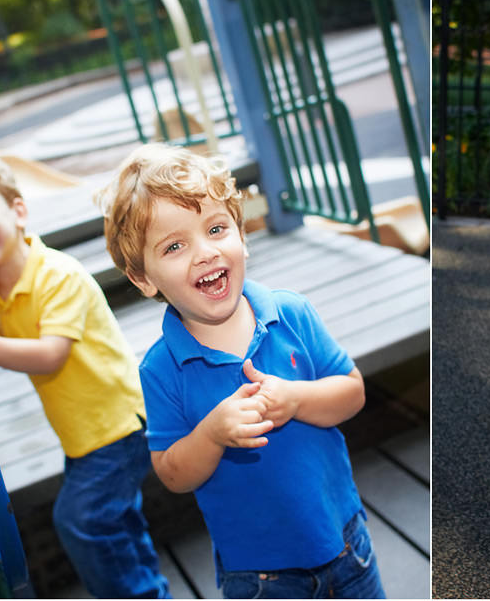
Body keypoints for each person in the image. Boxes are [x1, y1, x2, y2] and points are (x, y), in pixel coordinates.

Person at [96, 143, 386, 599]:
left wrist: (297, 399)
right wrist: (211, 435)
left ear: (242, 234)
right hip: (260, 578)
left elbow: (352, 392)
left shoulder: (292, 313)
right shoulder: (161, 369)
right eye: (174, 246)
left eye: (216, 228)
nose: (205, 252)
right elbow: (172, 474)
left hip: (345, 542)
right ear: (144, 278)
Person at [0, 151, 170, 598]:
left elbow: (49, 354)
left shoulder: (57, 275)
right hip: (83, 429)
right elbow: (10, 333)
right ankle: (148, 587)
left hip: (116, 423)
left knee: (83, 521)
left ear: (17, 210)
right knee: (116, 518)